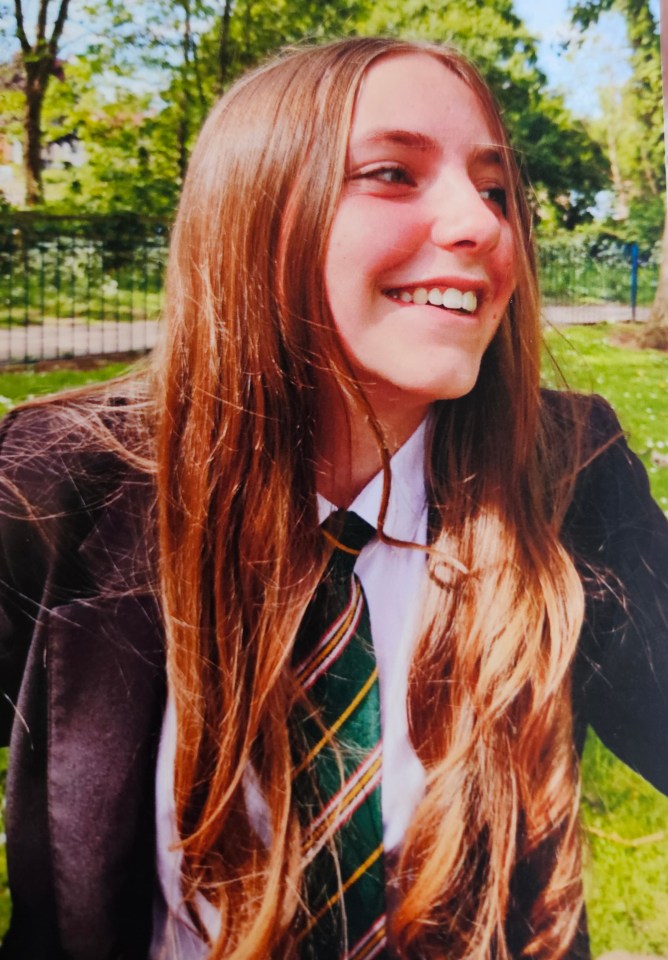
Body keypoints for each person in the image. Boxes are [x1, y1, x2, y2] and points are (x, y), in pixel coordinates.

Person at [0, 36, 666, 960]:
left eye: (495, 189)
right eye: (394, 173)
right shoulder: (61, 482)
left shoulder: (569, 475)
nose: (479, 224)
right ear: (254, 213)